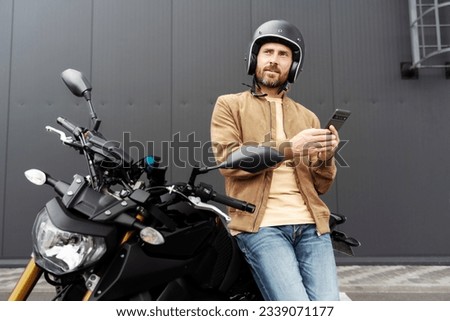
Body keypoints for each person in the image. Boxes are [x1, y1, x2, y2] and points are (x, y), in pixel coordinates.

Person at [210, 20, 341, 301]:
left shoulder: (308, 117)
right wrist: (290, 148)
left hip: (312, 227)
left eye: (284, 55)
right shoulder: (229, 105)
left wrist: (326, 157)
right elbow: (229, 160)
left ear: (293, 66)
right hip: (262, 227)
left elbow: (321, 186)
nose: (274, 60)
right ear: (254, 58)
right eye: (268, 52)